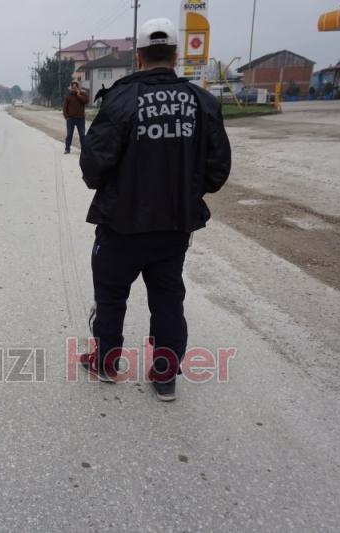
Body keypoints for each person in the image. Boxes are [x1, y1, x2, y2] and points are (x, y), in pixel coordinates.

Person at [78, 18, 232, 400]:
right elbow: (218, 170)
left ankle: (107, 362)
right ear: (176, 55)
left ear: (139, 56)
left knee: (111, 295)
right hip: (175, 226)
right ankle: (165, 376)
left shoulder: (120, 99)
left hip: (120, 226)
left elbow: (93, 168)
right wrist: (184, 191)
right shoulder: (202, 102)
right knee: (167, 298)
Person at [63, 80, 89, 154]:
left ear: (78, 87)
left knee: (82, 135)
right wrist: (66, 116)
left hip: (80, 118)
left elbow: (86, 101)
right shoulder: (68, 96)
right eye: (73, 87)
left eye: (76, 87)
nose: (74, 88)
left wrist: (78, 95)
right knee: (69, 134)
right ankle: (67, 149)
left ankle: (84, 150)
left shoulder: (83, 94)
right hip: (70, 119)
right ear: (71, 87)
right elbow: (65, 107)